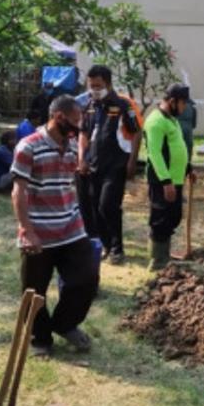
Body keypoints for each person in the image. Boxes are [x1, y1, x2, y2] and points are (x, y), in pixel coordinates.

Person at [10, 94, 96, 356]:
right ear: (58, 118)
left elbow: (67, 180)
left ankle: (64, 324)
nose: (77, 127)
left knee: (87, 279)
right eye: (74, 121)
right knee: (34, 291)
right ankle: (40, 338)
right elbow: (18, 192)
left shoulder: (70, 145)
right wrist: (26, 229)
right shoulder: (29, 146)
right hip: (39, 231)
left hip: (71, 227)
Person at [78, 65, 142, 265]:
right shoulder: (88, 104)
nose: (94, 89)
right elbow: (83, 133)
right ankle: (105, 245)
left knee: (108, 206)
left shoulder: (124, 104)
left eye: (98, 85)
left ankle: (117, 248)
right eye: (91, 85)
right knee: (95, 207)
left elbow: (137, 132)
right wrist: (82, 158)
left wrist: (132, 161)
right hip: (93, 164)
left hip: (116, 165)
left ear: (108, 83)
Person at [144, 83, 195, 271]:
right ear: (172, 101)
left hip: (176, 178)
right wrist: (166, 182)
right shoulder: (156, 121)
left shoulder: (171, 119)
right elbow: (155, 154)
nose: (185, 108)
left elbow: (176, 147)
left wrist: (188, 168)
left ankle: (164, 255)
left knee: (173, 217)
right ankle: (157, 261)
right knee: (160, 218)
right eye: (183, 104)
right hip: (162, 181)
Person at [175, 86, 197, 160]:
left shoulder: (175, 107)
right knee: (188, 150)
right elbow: (194, 124)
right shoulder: (193, 109)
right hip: (188, 131)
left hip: (176, 130)